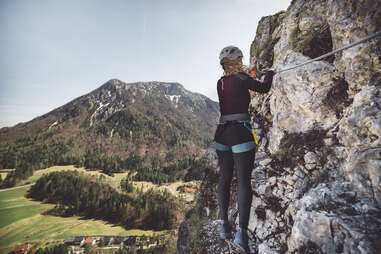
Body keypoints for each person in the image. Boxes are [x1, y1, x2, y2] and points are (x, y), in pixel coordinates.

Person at [213, 45, 274, 253]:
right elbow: (264, 88)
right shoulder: (242, 79)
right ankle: (241, 234)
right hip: (240, 133)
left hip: (221, 133)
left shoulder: (220, 82)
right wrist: (270, 74)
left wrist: (252, 71)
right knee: (243, 181)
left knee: (224, 179)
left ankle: (223, 227)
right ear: (238, 61)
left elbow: (239, 81)